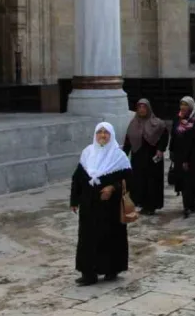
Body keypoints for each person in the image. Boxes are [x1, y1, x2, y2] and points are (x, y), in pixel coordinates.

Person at [70, 122, 132, 286]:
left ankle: (111, 269)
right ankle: (88, 273)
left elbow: (129, 180)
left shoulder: (119, 157)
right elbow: (77, 178)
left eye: (106, 133)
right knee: (87, 238)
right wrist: (74, 200)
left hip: (110, 208)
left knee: (109, 238)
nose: (102, 136)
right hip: (89, 205)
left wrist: (112, 188)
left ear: (111, 135)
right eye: (99, 132)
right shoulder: (87, 153)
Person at [123, 98, 168, 216]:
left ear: (148, 109)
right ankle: (142, 204)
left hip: (152, 158)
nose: (142, 110)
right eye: (139, 107)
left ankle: (151, 206)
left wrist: (160, 149)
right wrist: (123, 156)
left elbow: (164, 136)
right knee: (139, 181)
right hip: (138, 158)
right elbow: (128, 141)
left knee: (152, 182)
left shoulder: (158, 123)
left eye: (144, 107)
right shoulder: (133, 124)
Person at [168, 96, 195, 217]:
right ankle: (187, 205)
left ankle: (192, 204)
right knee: (183, 181)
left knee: (191, 181)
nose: (183, 107)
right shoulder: (177, 118)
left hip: (192, 155)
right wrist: (171, 151)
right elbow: (173, 135)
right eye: (181, 104)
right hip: (179, 155)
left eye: (186, 105)